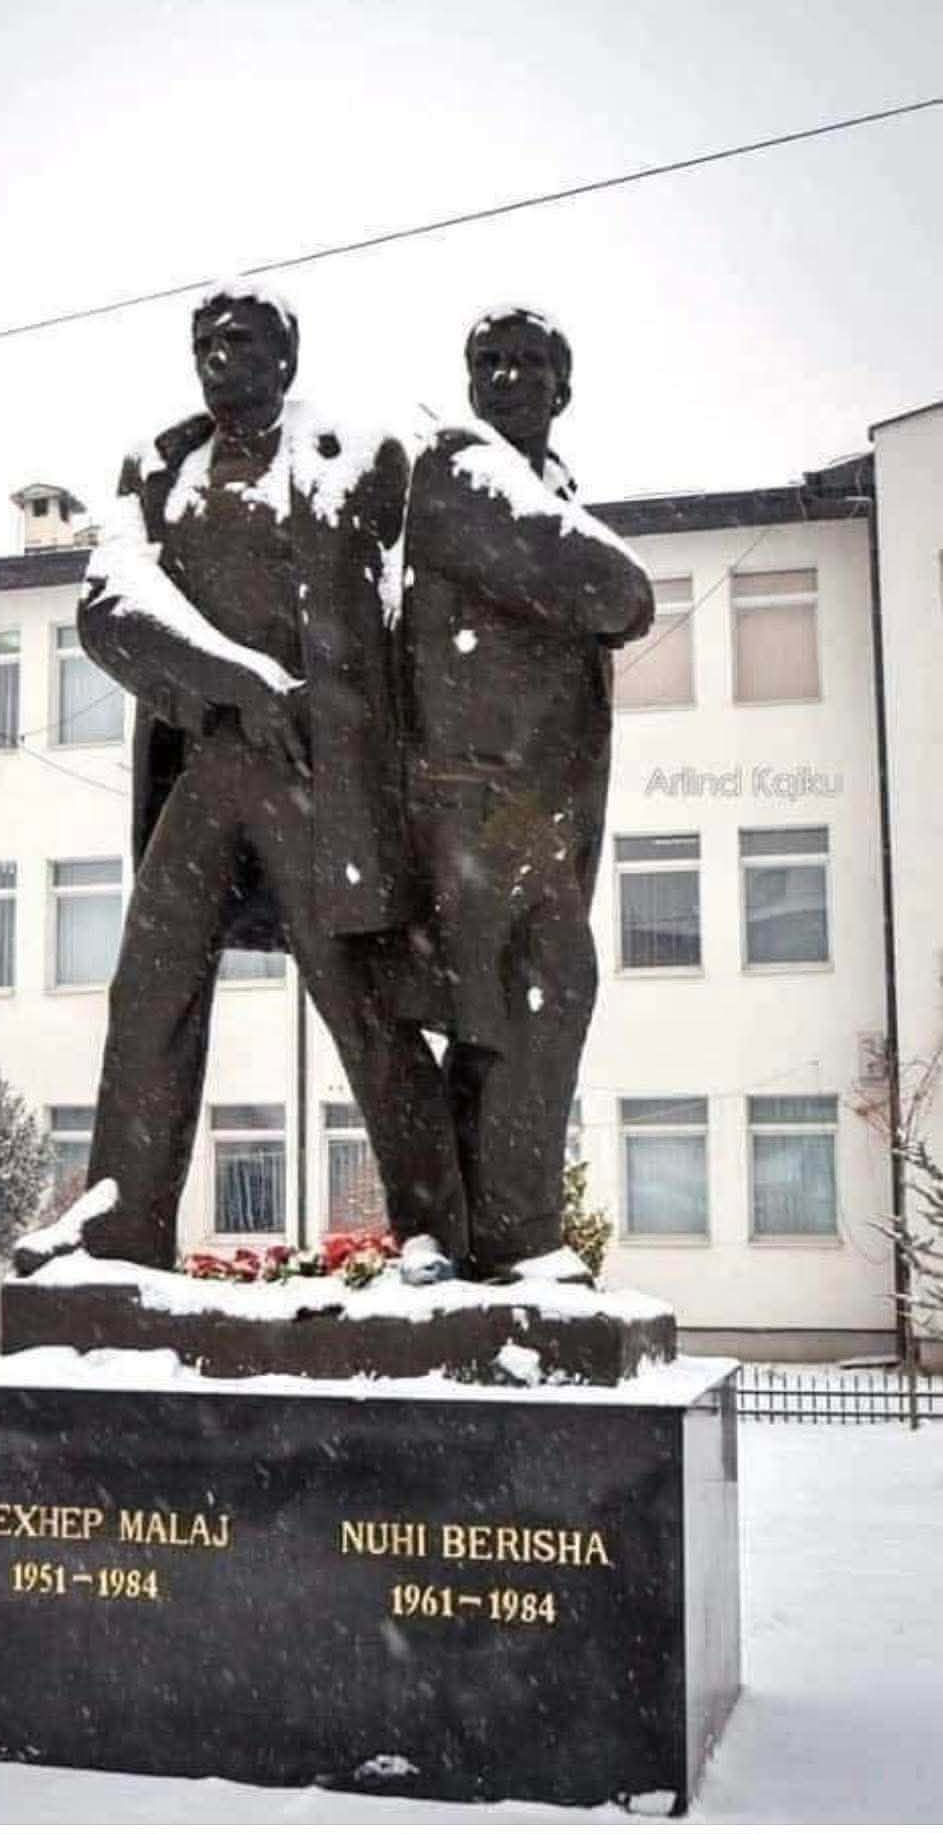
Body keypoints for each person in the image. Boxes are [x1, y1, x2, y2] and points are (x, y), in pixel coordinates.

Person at [16, 282, 467, 1275]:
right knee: (151, 985)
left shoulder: (361, 454)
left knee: (360, 996)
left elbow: (420, 612)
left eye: (245, 339)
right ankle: (121, 1218)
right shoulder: (160, 469)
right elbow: (111, 599)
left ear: (286, 357)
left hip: (322, 774)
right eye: (208, 342)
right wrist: (237, 678)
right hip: (212, 761)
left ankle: (433, 1223)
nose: (222, 355)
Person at [397, 305, 654, 1277]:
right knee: (548, 986)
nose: (506, 378)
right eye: (489, 362)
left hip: (535, 805)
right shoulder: (459, 470)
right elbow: (614, 591)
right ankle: (515, 1237)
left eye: (527, 363)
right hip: (478, 794)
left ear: (563, 387)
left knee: (496, 1015)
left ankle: (470, 1233)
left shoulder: (552, 489)